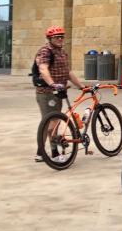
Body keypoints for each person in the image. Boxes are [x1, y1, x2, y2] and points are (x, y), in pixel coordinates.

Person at [34, 26, 85, 163]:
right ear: (50, 39)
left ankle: (41, 153)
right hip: (47, 93)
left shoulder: (62, 52)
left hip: (59, 92)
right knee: (51, 122)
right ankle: (54, 154)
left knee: (51, 122)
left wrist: (81, 86)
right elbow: (43, 69)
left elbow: (68, 72)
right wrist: (52, 83)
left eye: (62, 36)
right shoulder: (46, 51)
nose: (60, 39)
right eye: (57, 37)